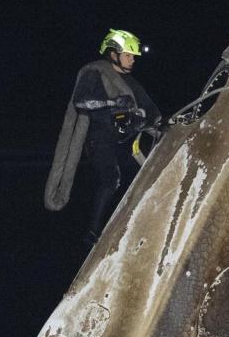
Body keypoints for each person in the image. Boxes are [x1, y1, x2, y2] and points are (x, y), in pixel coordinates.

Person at [44, 28, 162, 244]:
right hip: (99, 138)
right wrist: (113, 103)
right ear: (113, 54)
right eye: (128, 55)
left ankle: (139, 223)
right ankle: (93, 232)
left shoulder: (131, 83)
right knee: (111, 178)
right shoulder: (95, 72)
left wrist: (151, 121)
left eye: (133, 56)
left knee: (145, 174)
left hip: (128, 140)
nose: (133, 60)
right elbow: (81, 101)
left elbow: (153, 111)